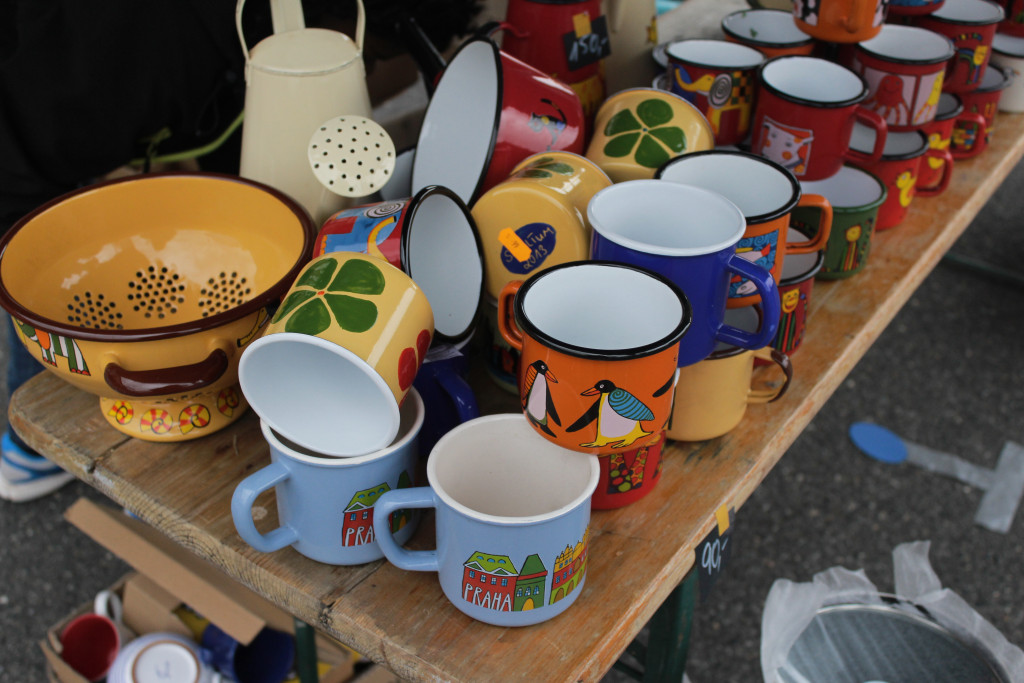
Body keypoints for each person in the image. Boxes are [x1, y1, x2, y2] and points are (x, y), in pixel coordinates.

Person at [0, 0, 482, 501]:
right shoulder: (127, 51)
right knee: (36, 280)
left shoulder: (234, 39)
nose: (371, 67)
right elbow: (16, 164)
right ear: (340, 14)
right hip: (23, 134)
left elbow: (230, 142)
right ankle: (29, 451)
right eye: (375, 56)